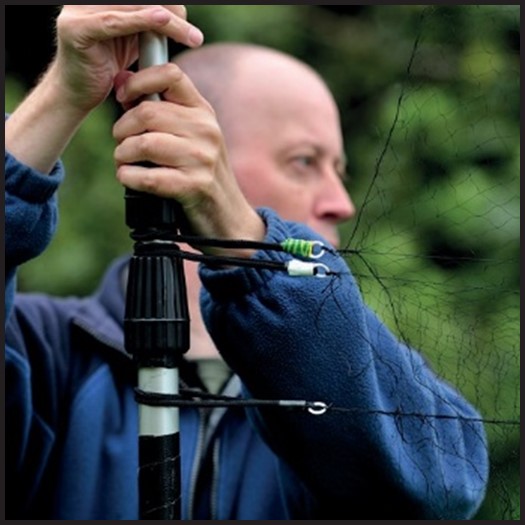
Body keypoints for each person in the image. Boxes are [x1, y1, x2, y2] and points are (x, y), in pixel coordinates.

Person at [5, 5, 489, 520]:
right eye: (304, 161)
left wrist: (238, 232)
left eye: (339, 169)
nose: (341, 202)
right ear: (178, 148)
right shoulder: (45, 355)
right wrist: (61, 95)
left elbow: (447, 485)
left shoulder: (356, 378)